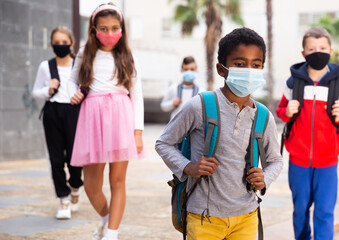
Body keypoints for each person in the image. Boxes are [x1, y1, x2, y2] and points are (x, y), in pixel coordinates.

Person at [155, 27, 283, 240]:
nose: (249, 70)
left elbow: (276, 161)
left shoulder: (263, 116)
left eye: (256, 65)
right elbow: (163, 143)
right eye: (240, 64)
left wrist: (265, 178)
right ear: (221, 69)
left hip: (247, 215)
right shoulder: (199, 106)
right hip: (203, 216)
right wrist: (188, 167)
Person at [275, 27, 339, 240]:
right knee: (300, 210)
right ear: (303, 53)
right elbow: (280, 111)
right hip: (299, 160)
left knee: (324, 211)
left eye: (322, 48)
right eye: (312, 49)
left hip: (328, 160)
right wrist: (286, 112)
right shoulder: (293, 82)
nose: (317, 52)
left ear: (330, 50)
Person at [68, 3, 144, 240]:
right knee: (91, 186)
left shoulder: (127, 56)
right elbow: (72, 80)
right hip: (92, 118)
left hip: (121, 117)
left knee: (117, 180)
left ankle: (112, 233)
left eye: (115, 28)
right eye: (104, 28)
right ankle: (105, 217)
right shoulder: (84, 53)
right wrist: (74, 92)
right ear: (94, 29)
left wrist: (138, 131)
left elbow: (137, 93)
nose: (110, 34)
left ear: (121, 29)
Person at [32, 26, 83, 220]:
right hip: (52, 112)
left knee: (75, 157)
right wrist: (48, 89)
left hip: (74, 112)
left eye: (64, 42)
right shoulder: (46, 66)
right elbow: (36, 92)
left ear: (72, 43)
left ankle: (76, 184)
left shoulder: (79, 64)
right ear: (51, 44)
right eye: (57, 42)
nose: (61, 45)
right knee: (55, 159)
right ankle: (64, 199)